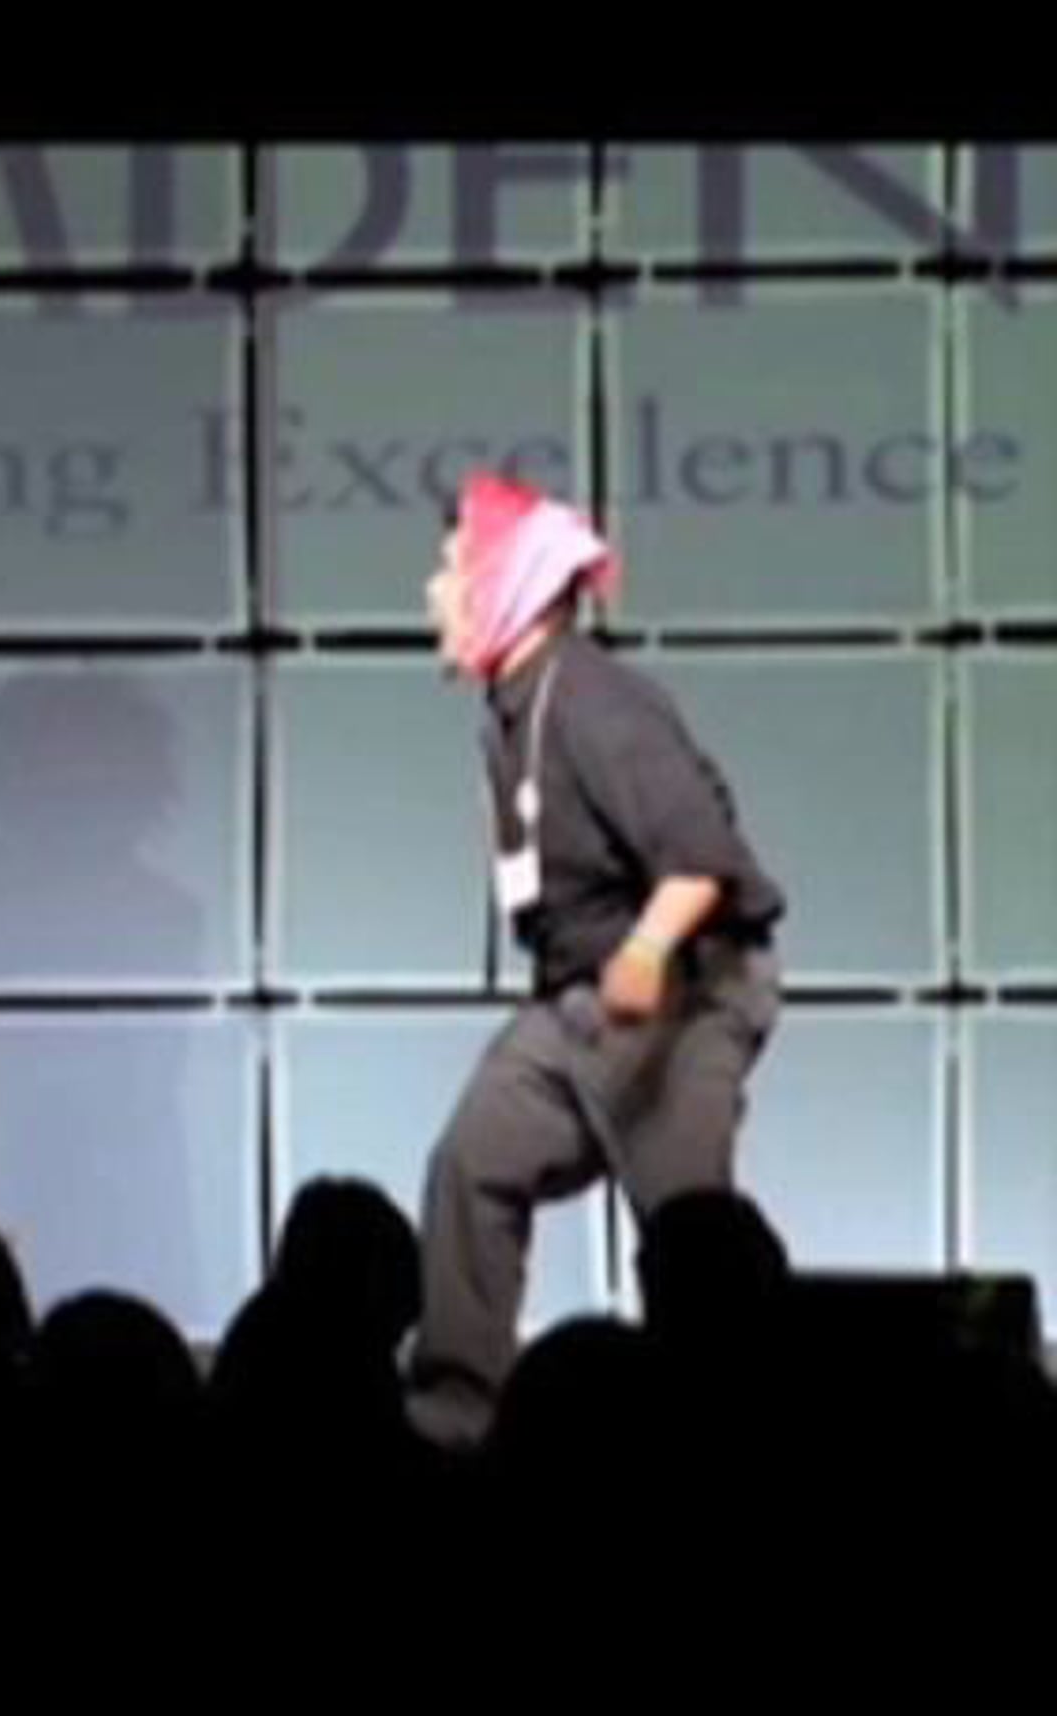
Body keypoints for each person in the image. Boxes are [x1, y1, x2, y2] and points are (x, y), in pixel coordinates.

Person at [406, 471, 786, 1450]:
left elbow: (701, 855)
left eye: (451, 570)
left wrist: (648, 951)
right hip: (579, 1000)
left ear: (507, 588)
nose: (432, 593)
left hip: (682, 994)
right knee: (473, 1166)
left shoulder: (593, 699)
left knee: (689, 1239)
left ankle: (728, 1430)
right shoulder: (516, 704)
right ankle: (455, 1421)